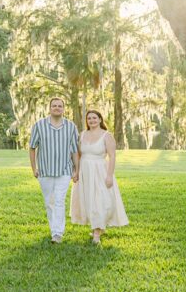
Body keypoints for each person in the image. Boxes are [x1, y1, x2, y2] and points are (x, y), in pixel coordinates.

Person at [70, 109, 128, 244]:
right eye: (89, 118)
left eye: (94, 118)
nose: (92, 120)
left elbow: (112, 156)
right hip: (85, 172)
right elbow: (78, 155)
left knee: (101, 200)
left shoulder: (107, 136)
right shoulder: (82, 135)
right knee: (88, 200)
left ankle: (97, 233)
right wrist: (76, 172)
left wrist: (109, 175)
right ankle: (97, 227)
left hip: (100, 171)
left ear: (100, 119)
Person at [28, 97, 80, 244]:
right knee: (49, 202)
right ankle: (53, 229)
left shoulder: (71, 126)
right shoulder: (39, 125)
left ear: (64, 109)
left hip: (64, 170)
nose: (57, 108)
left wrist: (76, 170)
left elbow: (74, 150)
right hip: (45, 171)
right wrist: (34, 168)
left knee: (59, 200)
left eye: (60, 106)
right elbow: (32, 148)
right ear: (49, 108)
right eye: (54, 106)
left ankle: (58, 233)